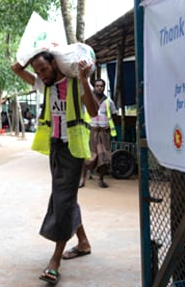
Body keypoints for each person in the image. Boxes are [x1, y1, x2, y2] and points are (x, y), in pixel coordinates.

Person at [11, 51, 98, 285]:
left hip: (74, 149)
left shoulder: (74, 83)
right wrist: (30, 55)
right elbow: (16, 69)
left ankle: (55, 261)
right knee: (66, 197)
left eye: (44, 69)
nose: (40, 74)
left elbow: (93, 111)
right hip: (56, 147)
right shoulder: (45, 85)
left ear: (55, 64)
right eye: (37, 70)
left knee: (62, 199)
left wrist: (84, 79)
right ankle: (83, 242)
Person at [80, 78, 118, 188]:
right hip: (91, 131)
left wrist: (110, 126)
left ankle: (101, 179)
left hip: (104, 133)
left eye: (101, 86)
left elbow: (114, 116)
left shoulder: (109, 102)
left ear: (104, 88)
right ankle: (83, 178)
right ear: (94, 87)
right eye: (97, 86)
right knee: (88, 156)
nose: (99, 88)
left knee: (104, 157)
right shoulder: (88, 100)